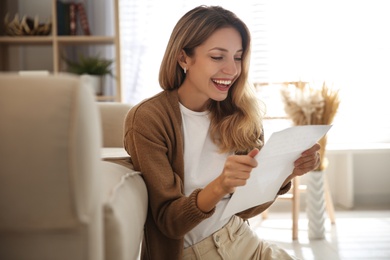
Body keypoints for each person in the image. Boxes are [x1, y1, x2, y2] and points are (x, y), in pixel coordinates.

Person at [124, 5, 321, 260]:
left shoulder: (241, 114)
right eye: (218, 57)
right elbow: (169, 221)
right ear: (184, 58)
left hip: (241, 240)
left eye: (237, 57)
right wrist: (220, 186)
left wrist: (287, 173)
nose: (232, 70)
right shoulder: (149, 119)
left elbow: (246, 210)